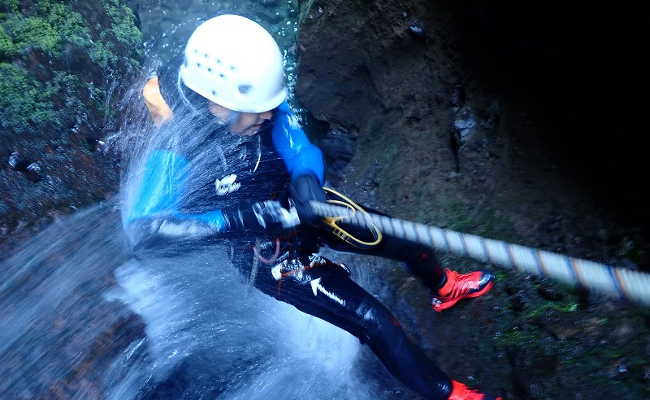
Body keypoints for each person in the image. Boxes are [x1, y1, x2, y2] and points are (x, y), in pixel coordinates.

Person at [128, 14, 501, 400]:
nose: (269, 114)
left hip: (298, 203)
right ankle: (450, 394)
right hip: (266, 252)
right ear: (217, 104)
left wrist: (307, 181)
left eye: (270, 105)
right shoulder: (178, 146)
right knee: (374, 320)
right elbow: (146, 232)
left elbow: (295, 141)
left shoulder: (256, 98)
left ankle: (444, 288)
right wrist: (237, 219)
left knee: (401, 238)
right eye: (259, 109)